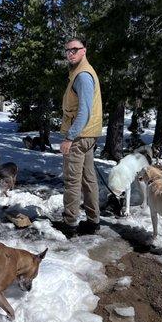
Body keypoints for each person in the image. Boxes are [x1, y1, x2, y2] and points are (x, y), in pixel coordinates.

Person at [56, 37, 103, 238]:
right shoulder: (81, 72)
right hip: (89, 135)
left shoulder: (83, 75)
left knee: (72, 181)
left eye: (75, 50)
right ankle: (93, 221)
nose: (70, 53)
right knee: (88, 178)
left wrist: (69, 137)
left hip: (79, 136)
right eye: (67, 50)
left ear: (84, 51)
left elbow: (84, 112)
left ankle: (70, 224)